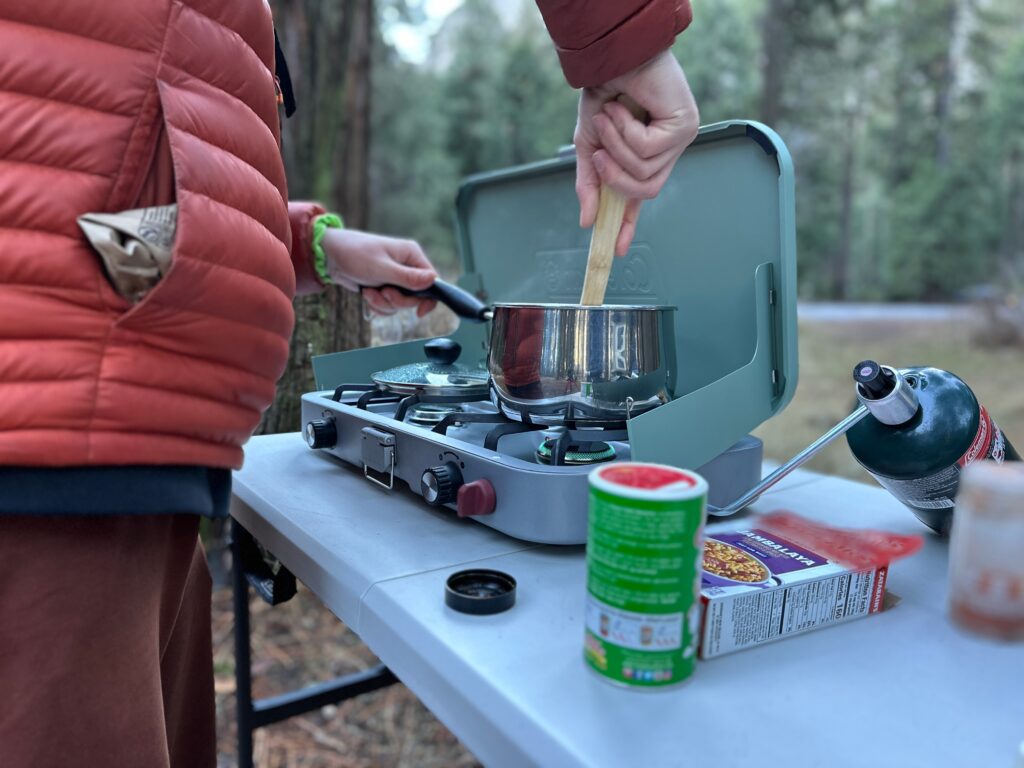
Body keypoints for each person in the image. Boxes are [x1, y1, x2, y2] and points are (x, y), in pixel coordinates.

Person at [0, 1, 698, 765]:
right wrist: (623, 50)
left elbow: (128, 188)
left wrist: (317, 245)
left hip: (110, 429)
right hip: (52, 426)